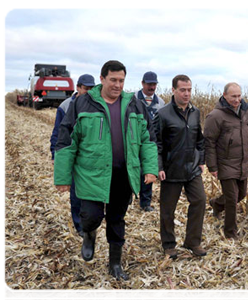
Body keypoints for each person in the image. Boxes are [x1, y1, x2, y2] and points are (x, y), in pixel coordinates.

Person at [54, 60, 158, 280]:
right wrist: (62, 177)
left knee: (116, 219)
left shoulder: (134, 105)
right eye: (113, 80)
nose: (118, 85)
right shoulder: (82, 104)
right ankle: (89, 234)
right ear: (101, 79)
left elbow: (148, 140)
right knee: (90, 216)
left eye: (121, 80)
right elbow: (66, 140)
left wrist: (150, 169)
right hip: (92, 174)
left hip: (123, 175)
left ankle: (115, 263)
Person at [153, 74, 207, 259]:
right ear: (173, 90)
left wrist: (201, 161)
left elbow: (200, 139)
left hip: (191, 168)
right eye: (182, 90)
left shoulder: (195, 112)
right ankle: (169, 244)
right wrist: (159, 166)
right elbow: (156, 143)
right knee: (168, 209)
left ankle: (193, 242)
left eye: (189, 90)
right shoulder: (162, 114)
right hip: (171, 169)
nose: (186, 94)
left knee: (199, 201)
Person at [204, 82, 248, 240]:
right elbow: (209, 142)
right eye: (233, 96)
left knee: (241, 194)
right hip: (225, 162)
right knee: (232, 198)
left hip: (242, 162)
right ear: (224, 96)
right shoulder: (216, 116)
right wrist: (212, 165)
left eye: (239, 96)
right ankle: (230, 233)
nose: (237, 99)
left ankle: (216, 204)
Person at [50, 74, 96, 237]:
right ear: (78, 88)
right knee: (76, 193)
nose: (89, 92)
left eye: (92, 88)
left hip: (89, 155)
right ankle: (79, 226)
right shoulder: (66, 106)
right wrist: (57, 156)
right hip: (72, 154)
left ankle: (89, 222)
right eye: (86, 88)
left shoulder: (96, 105)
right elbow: (58, 133)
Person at [136, 71, 165, 212]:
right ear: (142, 84)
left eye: (154, 84)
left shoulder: (161, 103)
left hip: (151, 141)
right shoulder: (133, 99)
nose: (151, 87)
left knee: (149, 170)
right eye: (149, 84)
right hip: (135, 141)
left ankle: (145, 202)